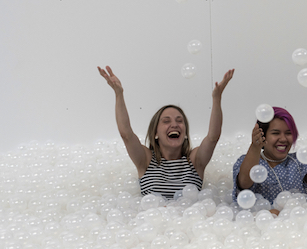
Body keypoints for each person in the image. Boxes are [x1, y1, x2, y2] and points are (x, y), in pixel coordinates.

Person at [98, 65, 234, 199]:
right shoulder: (145, 160)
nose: (174, 125)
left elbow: (212, 137)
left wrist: (217, 98)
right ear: (155, 133)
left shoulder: (194, 161)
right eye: (166, 121)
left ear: (185, 133)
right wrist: (119, 94)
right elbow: (126, 135)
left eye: (179, 121)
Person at [233, 107, 307, 209]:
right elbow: (244, 183)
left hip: (301, 216)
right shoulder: (249, 161)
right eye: (275, 133)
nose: (283, 139)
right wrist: (255, 147)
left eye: (288, 133)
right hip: (263, 218)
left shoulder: (299, 161)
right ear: (263, 135)